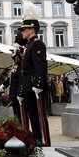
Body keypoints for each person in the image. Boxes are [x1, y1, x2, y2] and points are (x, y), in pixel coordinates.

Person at [17, 10, 50, 146]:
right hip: (28, 84)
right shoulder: (29, 45)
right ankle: (35, 139)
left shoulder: (37, 43)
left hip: (34, 85)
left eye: (24, 29)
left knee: (39, 115)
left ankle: (43, 141)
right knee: (32, 114)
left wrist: (38, 85)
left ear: (32, 29)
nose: (22, 32)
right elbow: (24, 70)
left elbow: (40, 66)